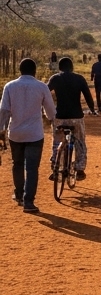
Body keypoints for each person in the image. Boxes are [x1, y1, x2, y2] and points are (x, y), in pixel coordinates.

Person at [0, 58, 57, 213]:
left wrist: (1, 130)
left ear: (20, 70)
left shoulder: (10, 86)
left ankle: (18, 194)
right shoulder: (41, 87)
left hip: (16, 133)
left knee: (17, 164)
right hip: (34, 134)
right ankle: (29, 202)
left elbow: (4, 110)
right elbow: (50, 111)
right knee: (32, 168)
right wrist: (51, 120)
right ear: (34, 71)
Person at [47, 56, 95, 181]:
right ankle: (79, 169)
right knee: (79, 141)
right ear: (72, 67)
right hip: (76, 117)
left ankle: (55, 167)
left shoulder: (55, 78)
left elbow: (45, 92)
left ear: (60, 67)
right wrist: (92, 109)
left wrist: (48, 109)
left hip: (59, 117)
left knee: (57, 141)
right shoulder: (79, 79)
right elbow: (88, 97)